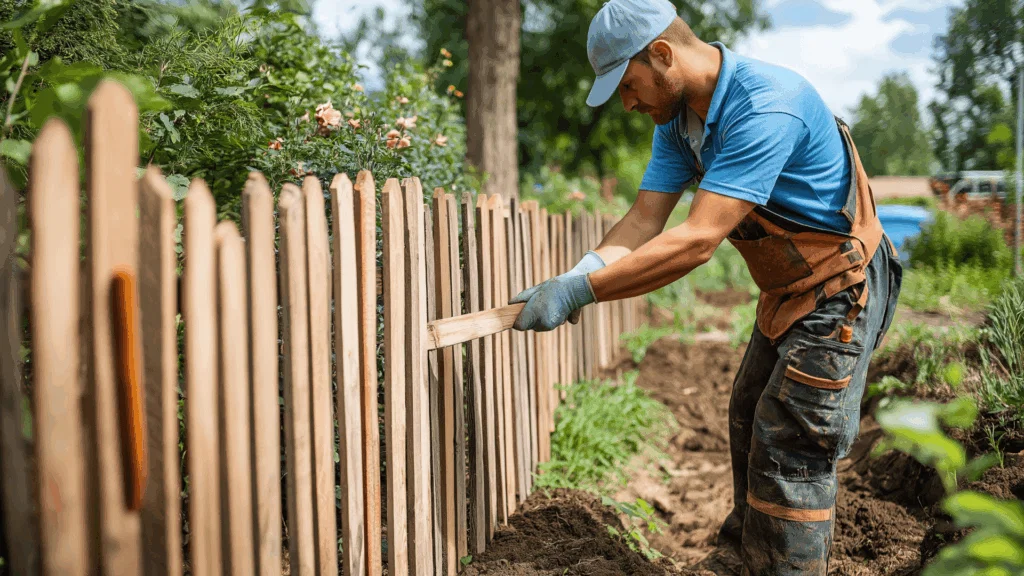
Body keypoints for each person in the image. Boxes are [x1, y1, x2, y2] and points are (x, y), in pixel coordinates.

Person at [509, 0, 903, 574]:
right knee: (748, 411)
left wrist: (582, 293)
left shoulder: (765, 106)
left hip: (842, 288)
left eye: (627, 83)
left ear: (662, 54)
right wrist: (573, 275)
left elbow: (697, 241)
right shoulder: (679, 121)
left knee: (792, 440)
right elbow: (646, 219)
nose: (626, 101)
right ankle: (745, 558)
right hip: (788, 292)